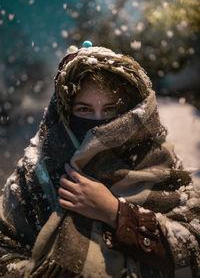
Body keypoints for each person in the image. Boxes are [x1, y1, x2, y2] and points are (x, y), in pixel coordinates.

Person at [0, 44, 200, 278]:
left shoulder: (159, 163)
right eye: (84, 109)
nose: (99, 123)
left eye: (110, 110)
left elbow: (193, 251)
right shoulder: (38, 172)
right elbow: (5, 249)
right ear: (65, 113)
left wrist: (116, 213)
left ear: (133, 111)